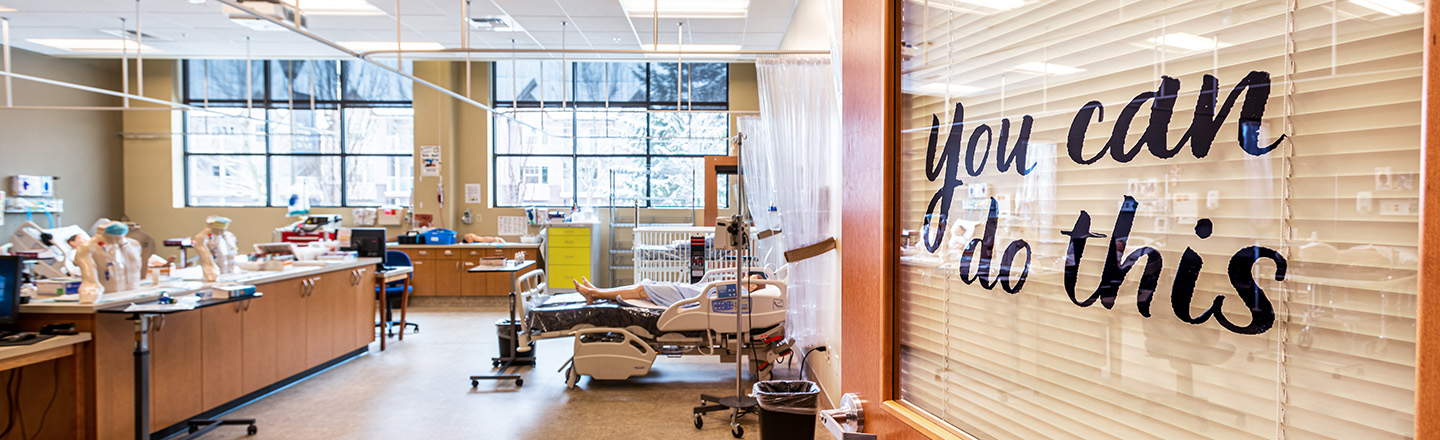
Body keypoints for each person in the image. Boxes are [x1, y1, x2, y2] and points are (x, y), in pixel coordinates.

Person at [571, 277, 764, 307]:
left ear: (754, 286)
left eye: (753, 278)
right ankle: (597, 291)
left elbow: (709, 296)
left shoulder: (742, 292)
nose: (748, 276)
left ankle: (595, 294)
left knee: (643, 290)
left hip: (689, 296)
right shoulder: (738, 287)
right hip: (689, 290)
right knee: (643, 286)